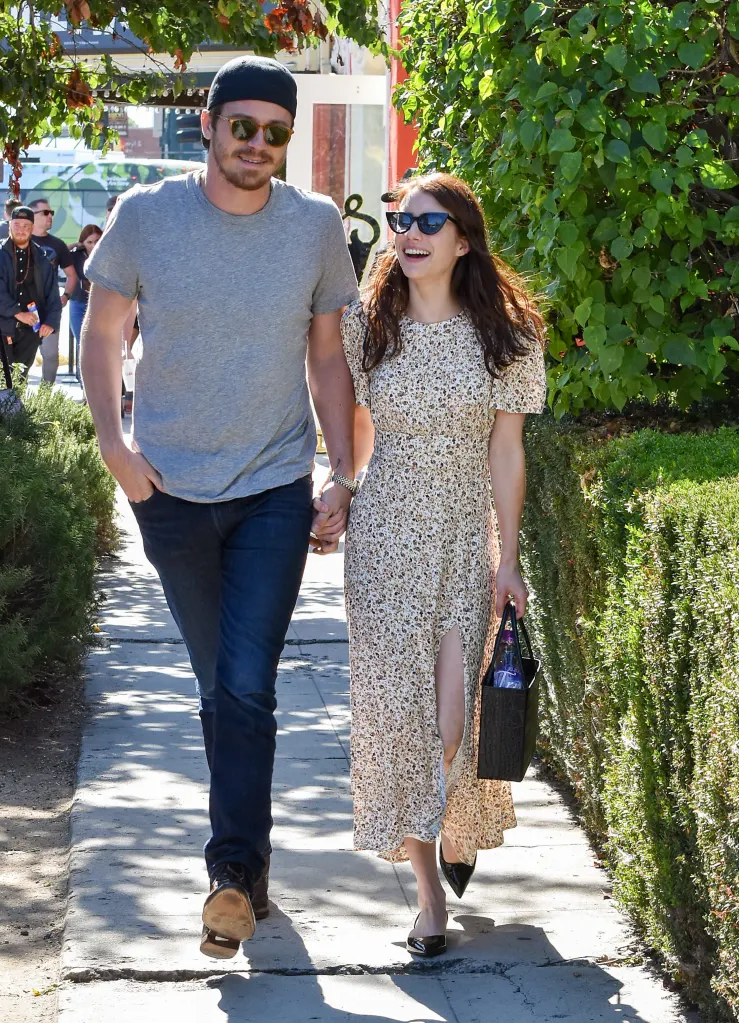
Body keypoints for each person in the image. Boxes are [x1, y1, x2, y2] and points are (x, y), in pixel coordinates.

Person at [81, 56, 359, 960]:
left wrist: (341, 469)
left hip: (274, 487)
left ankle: (229, 876)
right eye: (243, 127)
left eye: (275, 132)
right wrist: (116, 450)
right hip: (168, 491)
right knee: (218, 689)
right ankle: (251, 869)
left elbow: (326, 358)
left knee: (245, 683)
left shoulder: (315, 228)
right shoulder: (146, 216)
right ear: (207, 126)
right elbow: (103, 332)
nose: (259, 145)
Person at [337, 173, 546, 957]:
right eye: (401, 220)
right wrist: (342, 485)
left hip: (462, 540)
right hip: (385, 539)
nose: (410, 233)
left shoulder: (507, 335)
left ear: (463, 238)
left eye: (429, 220)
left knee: (451, 723)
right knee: (400, 718)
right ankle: (429, 899)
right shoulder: (366, 328)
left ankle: (448, 825)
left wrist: (510, 558)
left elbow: (506, 450)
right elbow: (351, 425)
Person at [0, 206, 62, 375]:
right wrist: (18, 313)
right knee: (1, 378)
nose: (21, 230)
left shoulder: (41, 257)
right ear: (9, 226)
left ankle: (17, 403)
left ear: (32, 228)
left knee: (20, 379)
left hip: (31, 330)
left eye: (25, 226)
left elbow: (52, 292)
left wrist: (51, 322)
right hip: (1, 327)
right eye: (17, 225)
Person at [29, 198, 79, 310]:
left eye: (51, 213)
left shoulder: (58, 244)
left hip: (50, 306)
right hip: (25, 306)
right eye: (46, 213)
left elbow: (72, 275)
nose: (50, 216)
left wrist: (66, 296)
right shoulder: (21, 241)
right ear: (32, 216)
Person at [68, 224, 103, 383]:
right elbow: (60, 255)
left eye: (97, 241)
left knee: (98, 344)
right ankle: (84, 384)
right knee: (81, 342)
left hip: (100, 303)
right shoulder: (77, 255)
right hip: (79, 301)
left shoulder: (106, 254)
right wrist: (76, 245)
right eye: (90, 242)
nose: (94, 245)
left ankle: (97, 382)